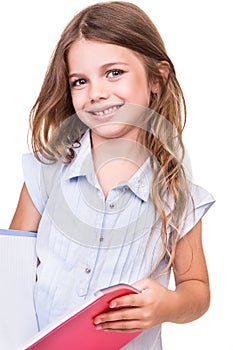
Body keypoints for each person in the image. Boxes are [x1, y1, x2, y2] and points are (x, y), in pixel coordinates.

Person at [9, 2, 215, 349]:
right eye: (80, 81)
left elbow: (196, 288)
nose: (97, 93)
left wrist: (169, 305)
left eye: (114, 73)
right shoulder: (45, 173)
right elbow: (10, 272)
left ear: (156, 79)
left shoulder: (179, 197)